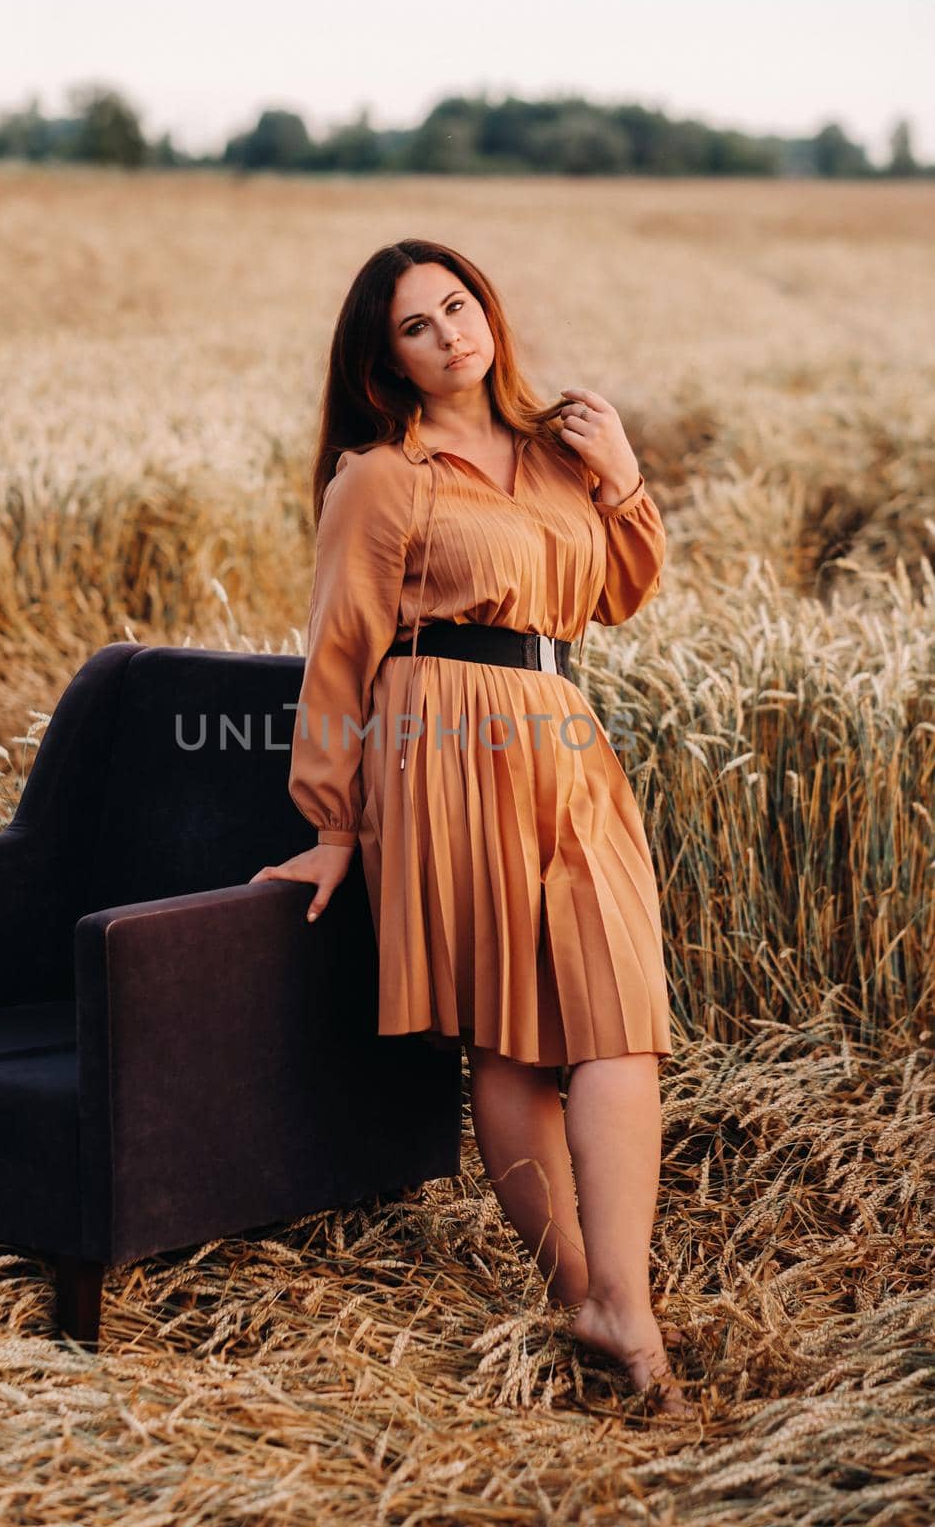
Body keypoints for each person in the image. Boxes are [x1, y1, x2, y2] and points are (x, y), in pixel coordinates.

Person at [249, 238, 691, 1416]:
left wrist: (620, 476)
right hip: (440, 738)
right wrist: (334, 825)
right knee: (506, 1033)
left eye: (458, 305)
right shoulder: (381, 477)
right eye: (416, 324)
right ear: (382, 360)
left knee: (617, 1016)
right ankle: (601, 1302)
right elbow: (338, 656)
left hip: (561, 730)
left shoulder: (555, 446)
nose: (451, 333)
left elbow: (613, 592)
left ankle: (614, 1292)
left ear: (487, 310)